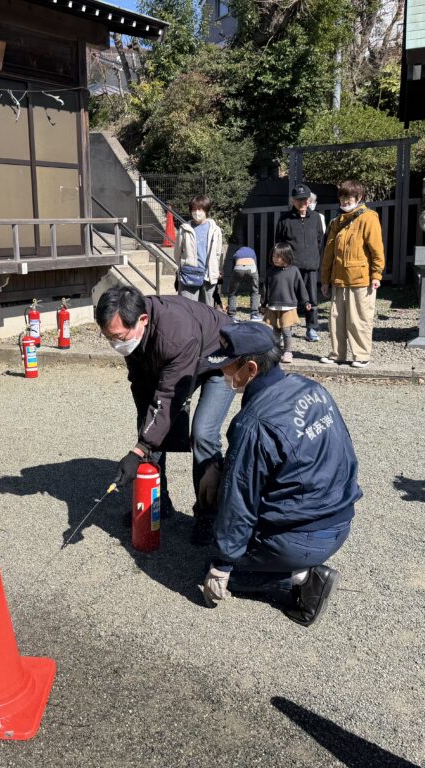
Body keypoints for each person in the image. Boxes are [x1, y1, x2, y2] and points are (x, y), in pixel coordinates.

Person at [197, 322, 360, 626]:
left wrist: (222, 564)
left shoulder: (255, 423)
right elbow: (345, 450)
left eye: (229, 366)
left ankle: (302, 578)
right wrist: (221, 466)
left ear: (251, 368)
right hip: (340, 517)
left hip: (302, 538)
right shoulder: (309, 388)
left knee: (210, 568)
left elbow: (240, 500)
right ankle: (296, 563)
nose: (223, 373)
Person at [96, 285, 234, 544]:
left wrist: (139, 450)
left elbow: (170, 396)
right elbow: (141, 384)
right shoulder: (131, 331)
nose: (115, 344)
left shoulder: (176, 333)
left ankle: (208, 516)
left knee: (203, 434)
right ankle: (158, 503)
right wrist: (144, 435)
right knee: (150, 427)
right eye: (109, 338)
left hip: (218, 358)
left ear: (143, 320)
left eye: (118, 337)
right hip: (179, 361)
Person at [319, 180, 385, 368]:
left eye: (349, 196)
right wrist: (325, 280)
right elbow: (328, 254)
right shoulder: (335, 221)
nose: (345, 200)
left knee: (359, 319)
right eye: (342, 196)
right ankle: (337, 354)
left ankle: (361, 355)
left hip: (361, 279)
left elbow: (377, 250)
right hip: (338, 279)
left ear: (359, 198)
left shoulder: (369, 218)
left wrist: (376, 275)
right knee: (336, 319)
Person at [274, 183, 323, 341]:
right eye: (298, 200)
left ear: (309, 200)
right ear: (293, 201)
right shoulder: (284, 219)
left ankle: (311, 329)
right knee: (287, 299)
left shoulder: (316, 218)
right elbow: (279, 242)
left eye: (305, 199)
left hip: (310, 266)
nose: (302, 203)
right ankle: (284, 329)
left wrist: (314, 257)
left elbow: (319, 239)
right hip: (290, 267)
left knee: (312, 299)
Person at [262, 243, 311, 364]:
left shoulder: (294, 271)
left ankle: (288, 352)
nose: (275, 258)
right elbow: (265, 289)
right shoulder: (271, 271)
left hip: (288, 306)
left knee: (286, 330)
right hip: (273, 305)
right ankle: (276, 352)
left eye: (278, 256)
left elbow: (300, 287)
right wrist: (263, 304)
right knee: (275, 331)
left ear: (286, 256)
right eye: (273, 256)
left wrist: (306, 301)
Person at [174, 195, 224, 307]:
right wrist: (180, 268)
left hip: (208, 275)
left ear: (206, 210)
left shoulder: (215, 229)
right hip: (189, 275)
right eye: (194, 209)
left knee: (207, 310)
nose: (197, 212)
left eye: (200, 209)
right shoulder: (184, 229)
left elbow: (218, 253)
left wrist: (218, 270)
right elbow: (177, 252)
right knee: (187, 308)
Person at [221, 245, 263, 321]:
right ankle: (254, 314)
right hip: (252, 267)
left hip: (238, 267)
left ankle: (231, 315)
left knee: (232, 292)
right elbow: (255, 264)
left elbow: (233, 268)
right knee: (255, 291)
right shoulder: (252, 251)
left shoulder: (236, 253)